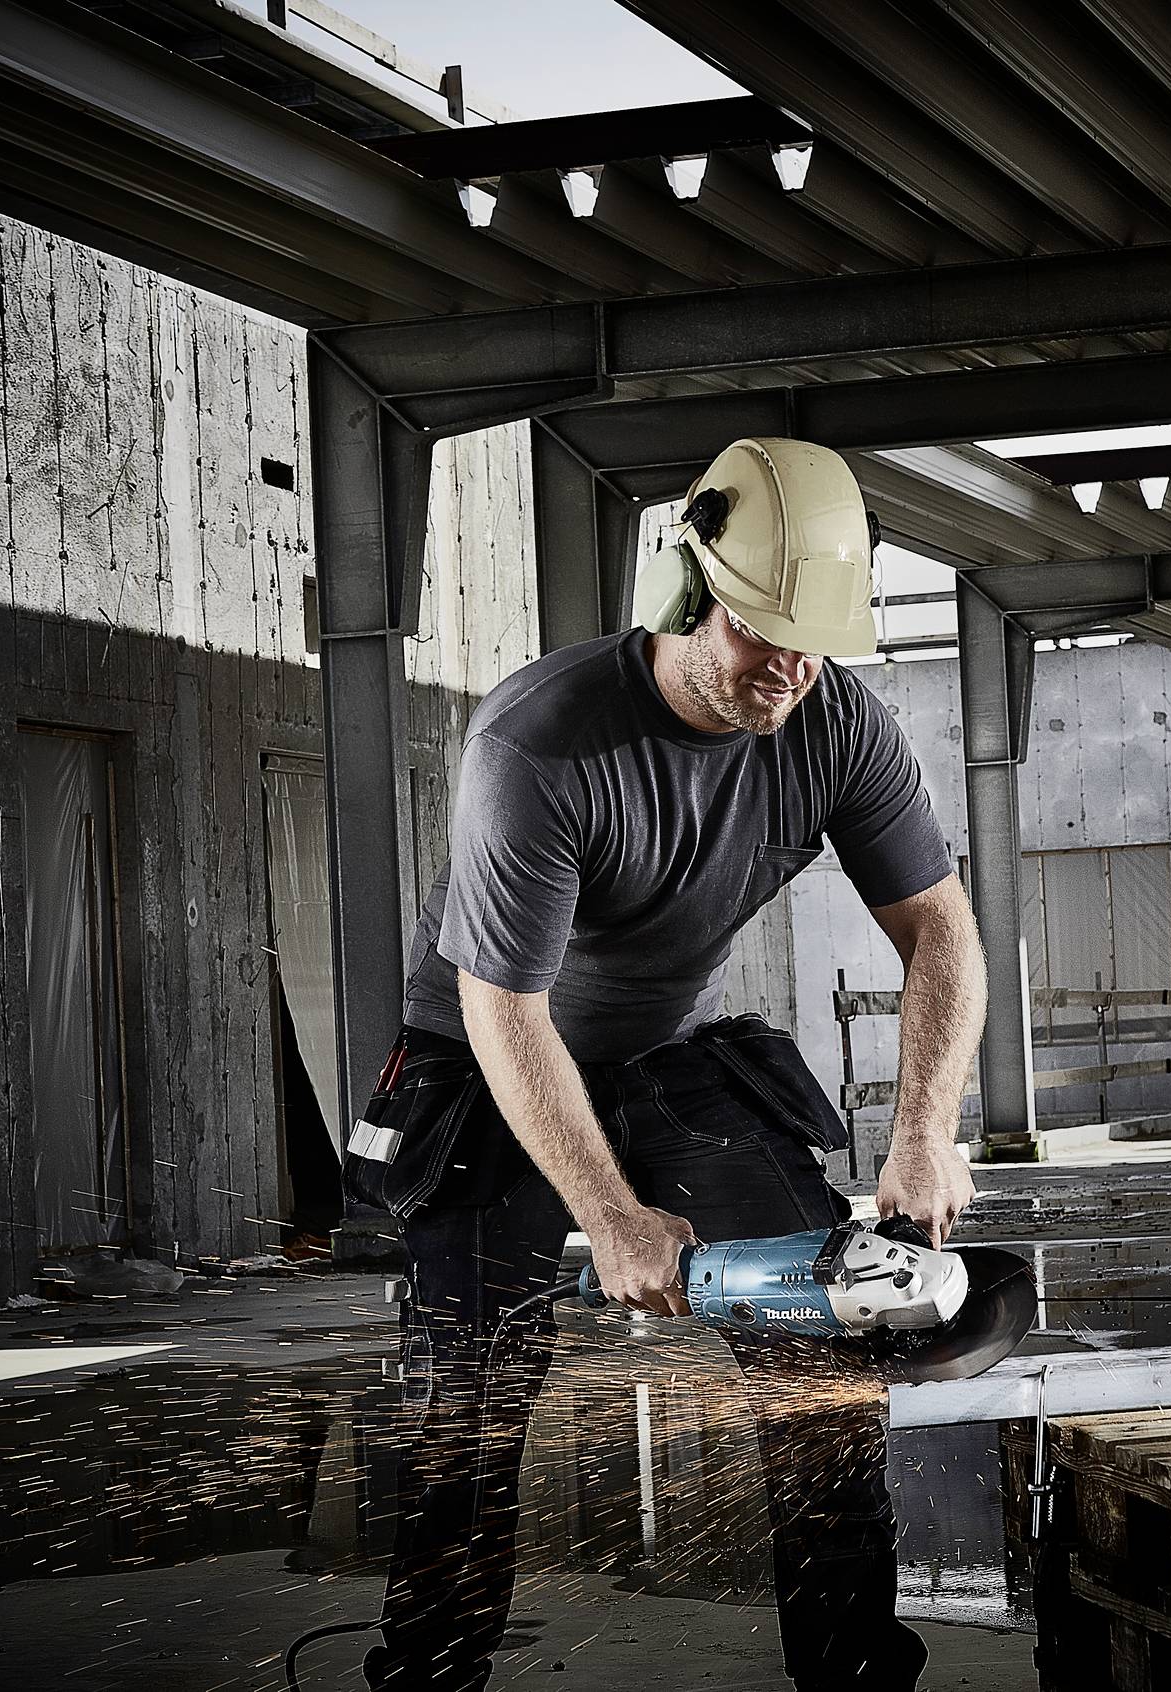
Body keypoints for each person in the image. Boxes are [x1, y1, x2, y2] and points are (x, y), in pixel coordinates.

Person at [353, 437, 985, 1692]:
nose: (790, 668)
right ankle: (428, 1680)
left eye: (816, 640)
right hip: (487, 1064)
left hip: (651, 1050)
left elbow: (942, 934)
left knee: (824, 1350)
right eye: (763, 633)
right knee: (465, 1411)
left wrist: (923, 1131)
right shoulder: (541, 744)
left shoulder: (832, 722)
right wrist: (612, 1214)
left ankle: (855, 1673)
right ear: (690, 593)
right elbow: (507, 1013)